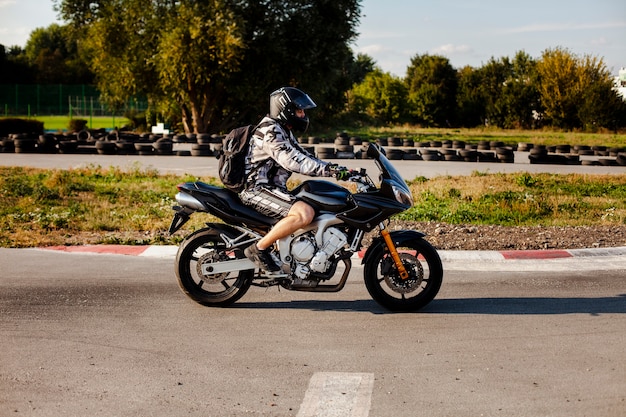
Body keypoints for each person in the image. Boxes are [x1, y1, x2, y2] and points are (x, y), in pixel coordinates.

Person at [240, 87, 352, 272]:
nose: (303, 115)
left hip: (274, 189)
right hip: (256, 190)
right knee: (304, 214)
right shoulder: (270, 131)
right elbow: (294, 161)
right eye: (299, 111)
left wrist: (339, 170)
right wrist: (329, 171)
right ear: (285, 110)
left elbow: (304, 155)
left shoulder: (283, 130)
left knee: (315, 205)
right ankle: (258, 249)